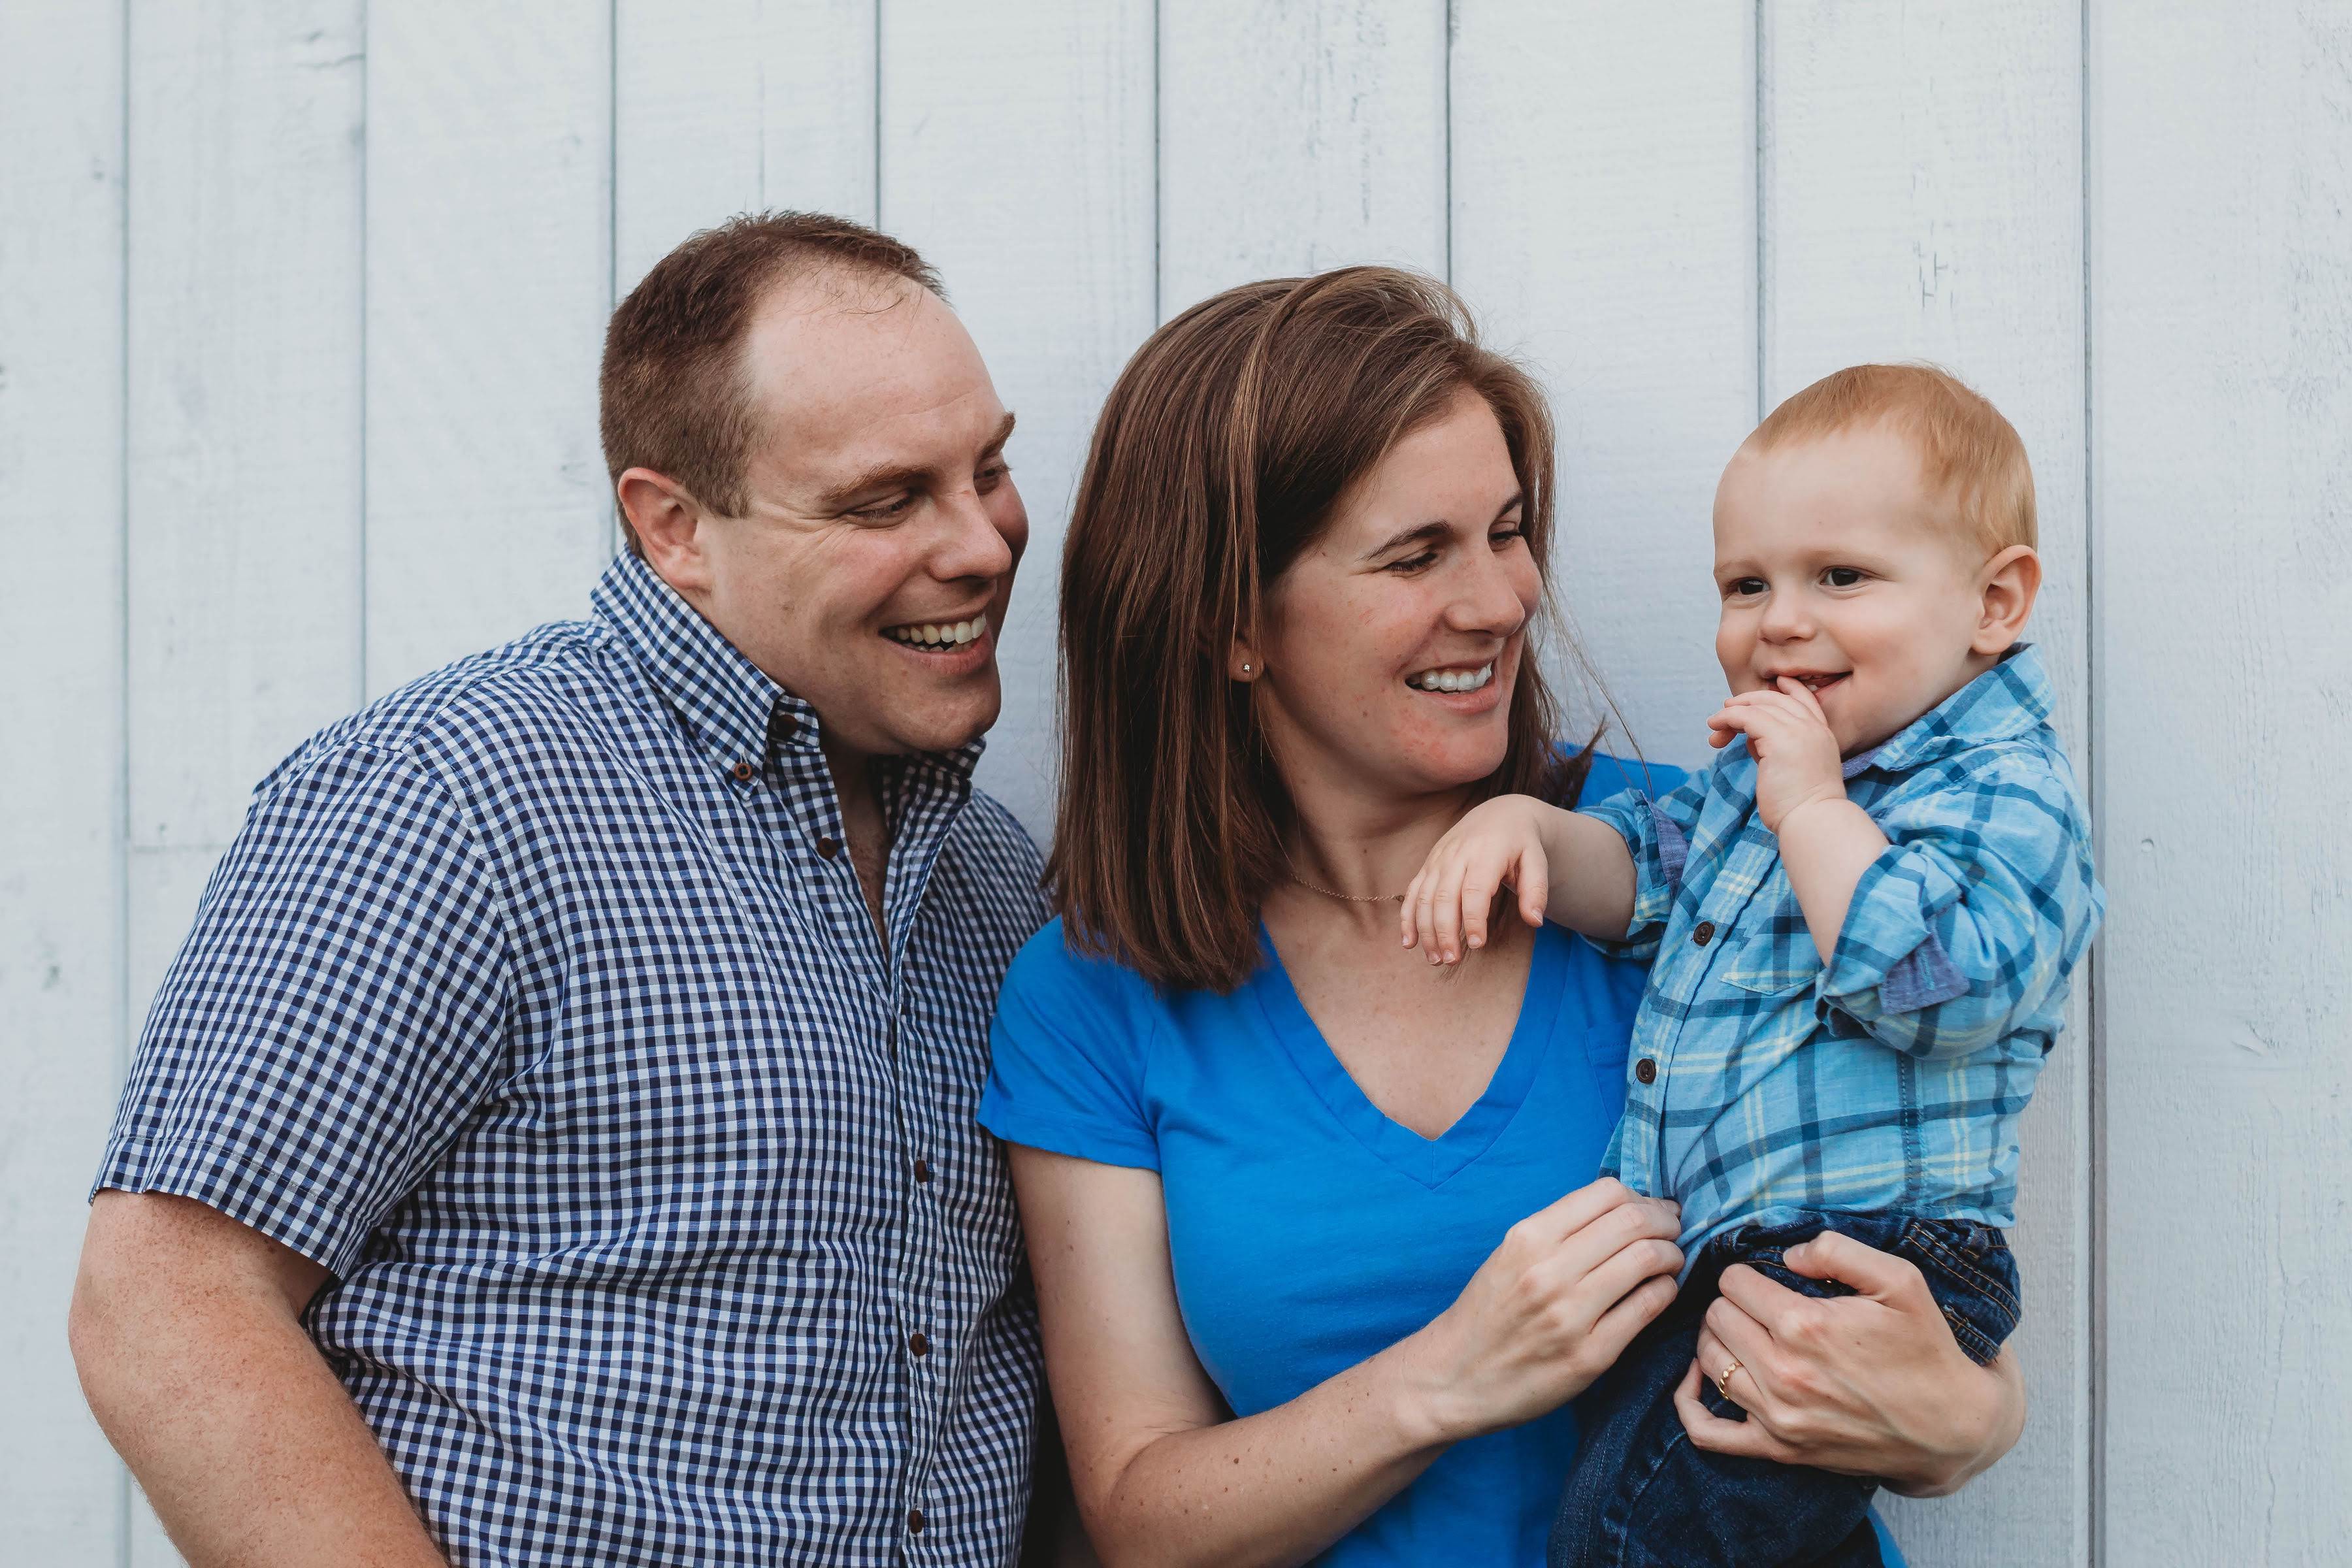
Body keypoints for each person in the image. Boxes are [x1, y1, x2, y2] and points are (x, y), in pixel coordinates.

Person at [981, 270, 2029, 1566]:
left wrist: (1968, 1419)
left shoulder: (1713, 864)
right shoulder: (1094, 996)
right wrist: (1452, 1375)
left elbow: (1915, 1228)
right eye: (1416, 554)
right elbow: (1141, 1516)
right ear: (1233, 622)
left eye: (1507, 531)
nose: (1499, 602)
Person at [69, 214, 1062, 1566]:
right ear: (673, 526)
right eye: (885, 501)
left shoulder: (996, 881)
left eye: (988, 469)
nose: (985, 545)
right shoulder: (454, 798)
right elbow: (170, 1298)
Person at [1404, 363, 2104, 1567]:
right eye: (1746, 584)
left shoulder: (2000, 795)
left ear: (1996, 602)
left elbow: (1944, 984)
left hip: (1870, 1259)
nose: (1780, 620)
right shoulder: (1759, 781)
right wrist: (1526, 831)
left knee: (1638, 1540)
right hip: (1741, 1253)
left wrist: (1815, 812)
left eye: (1842, 576)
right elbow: (1646, 882)